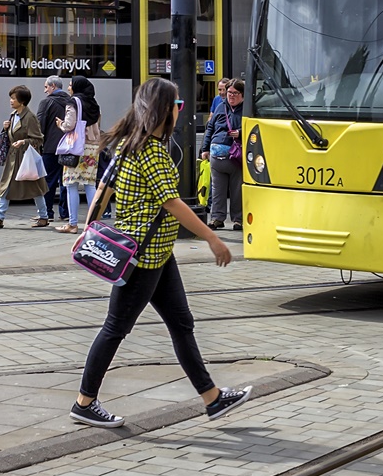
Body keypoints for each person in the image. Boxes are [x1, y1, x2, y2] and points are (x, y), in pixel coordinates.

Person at [72, 77, 252, 428]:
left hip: (158, 253)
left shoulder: (129, 143)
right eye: (177, 105)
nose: (179, 111)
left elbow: (103, 188)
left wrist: (87, 229)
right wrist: (212, 239)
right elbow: (172, 203)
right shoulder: (151, 151)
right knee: (115, 328)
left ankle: (212, 398)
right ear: (163, 110)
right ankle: (84, 402)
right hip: (142, 255)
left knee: (182, 324)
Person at [0, 85, 48, 228]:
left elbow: (38, 139)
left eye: (14, 98)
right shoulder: (14, 115)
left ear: (22, 101)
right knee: (5, 185)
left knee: (35, 187)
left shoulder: (30, 117)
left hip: (26, 158)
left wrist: (24, 142)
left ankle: (43, 216)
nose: (11, 101)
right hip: (13, 157)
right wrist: (6, 128)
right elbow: (11, 135)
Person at [57, 76, 103, 234]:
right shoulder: (94, 104)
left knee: (71, 185)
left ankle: (73, 224)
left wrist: (60, 124)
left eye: (70, 85)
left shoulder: (73, 102)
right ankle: (93, 224)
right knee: (90, 185)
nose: (69, 88)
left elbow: (69, 125)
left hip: (77, 147)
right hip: (93, 147)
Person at [199, 78, 244, 230]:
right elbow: (210, 128)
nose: (231, 96)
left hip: (235, 156)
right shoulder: (220, 107)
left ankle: (238, 220)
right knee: (217, 189)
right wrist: (205, 149)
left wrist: (240, 133)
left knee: (237, 190)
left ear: (243, 95)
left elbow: (254, 129)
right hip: (216, 155)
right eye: (229, 92)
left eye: (235, 93)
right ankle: (217, 218)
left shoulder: (246, 110)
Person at [37, 76, 72, 221]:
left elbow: (40, 125)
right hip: (68, 147)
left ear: (52, 86)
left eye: (46, 87)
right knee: (66, 182)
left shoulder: (46, 102)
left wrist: (40, 143)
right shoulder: (71, 102)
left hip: (50, 148)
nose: (45, 91)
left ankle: (47, 213)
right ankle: (65, 213)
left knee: (48, 181)